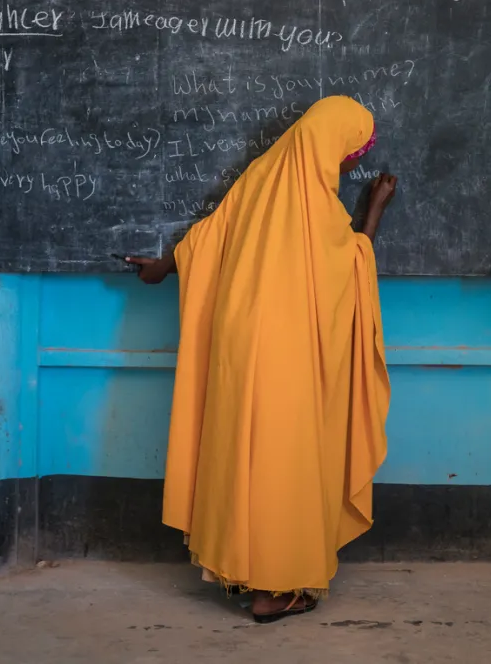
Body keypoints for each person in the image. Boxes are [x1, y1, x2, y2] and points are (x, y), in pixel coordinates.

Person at [127, 95, 397, 624]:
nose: (352, 163)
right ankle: (273, 591)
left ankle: (240, 564)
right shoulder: (319, 208)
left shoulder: (259, 178)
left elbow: (205, 241)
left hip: (239, 345)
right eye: (353, 152)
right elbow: (351, 268)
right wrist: (375, 210)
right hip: (289, 351)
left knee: (243, 451)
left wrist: (160, 268)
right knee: (285, 460)